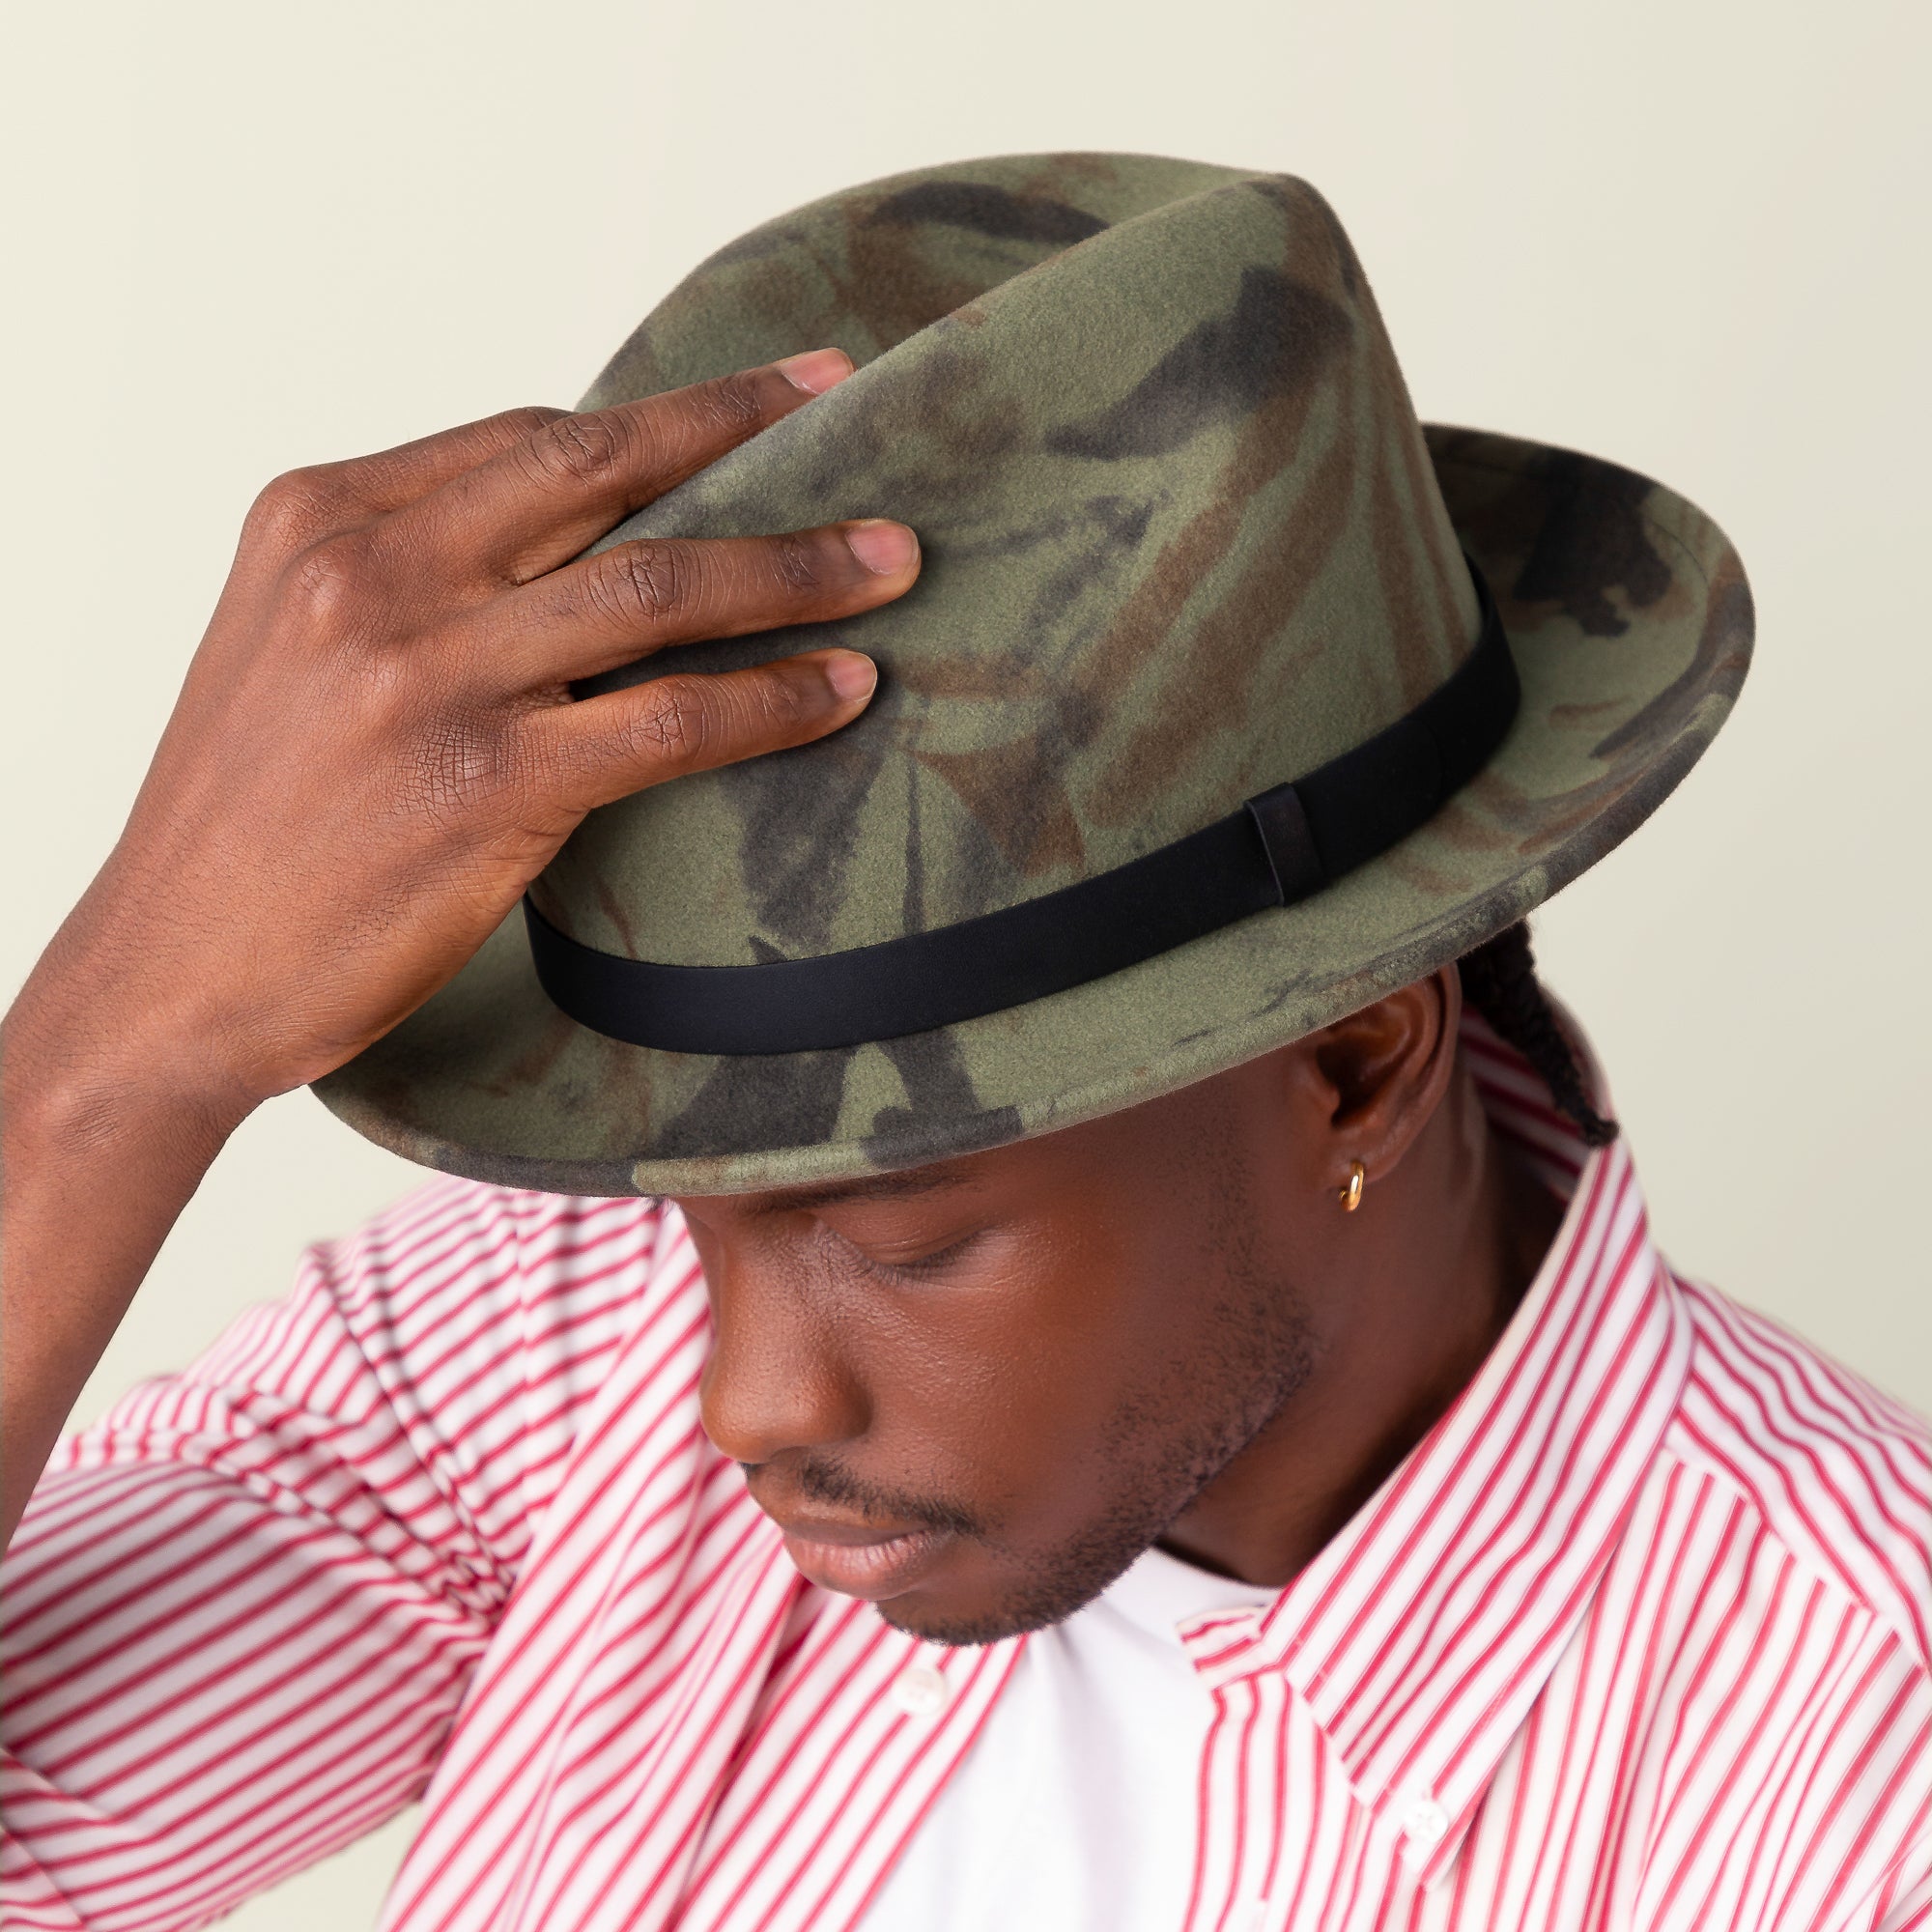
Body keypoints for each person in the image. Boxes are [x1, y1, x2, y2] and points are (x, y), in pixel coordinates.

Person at [2, 153, 1926, 1932]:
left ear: (1348, 1060)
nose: (743, 1399)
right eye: (686, 1199)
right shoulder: (550, 1338)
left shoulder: (1854, 1770)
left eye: (907, 1229)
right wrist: (106, 1060)